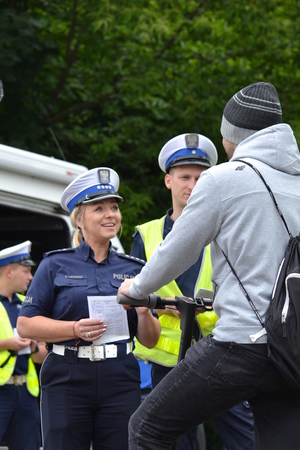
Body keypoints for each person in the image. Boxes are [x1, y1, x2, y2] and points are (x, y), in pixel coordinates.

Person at [118, 82, 300, 449]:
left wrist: (135, 290)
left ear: (233, 135)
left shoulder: (224, 179)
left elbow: (177, 250)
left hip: (242, 345)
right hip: (291, 349)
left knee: (147, 428)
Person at [17, 167, 161, 450]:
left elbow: (150, 339)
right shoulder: (54, 264)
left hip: (120, 376)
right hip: (67, 375)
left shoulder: (135, 269)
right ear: (79, 219)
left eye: (114, 208)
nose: (110, 214)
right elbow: (26, 324)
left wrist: (144, 311)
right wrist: (73, 329)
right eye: (99, 208)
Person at [130, 133, 254, 450]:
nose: (192, 184)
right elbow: (133, 298)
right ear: (168, 181)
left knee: (247, 439)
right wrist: (162, 307)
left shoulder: (227, 230)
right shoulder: (146, 234)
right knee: (172, 443)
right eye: (185, 176)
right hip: (167, 361)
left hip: (220, 352)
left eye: (200, 177)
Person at [0, 240, 46, 450]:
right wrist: (7, 344)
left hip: (25, 394)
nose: (31, 277)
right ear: (9, 271)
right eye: (26, 271)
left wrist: (35, 346)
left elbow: (42, 357)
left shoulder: (28, 306)